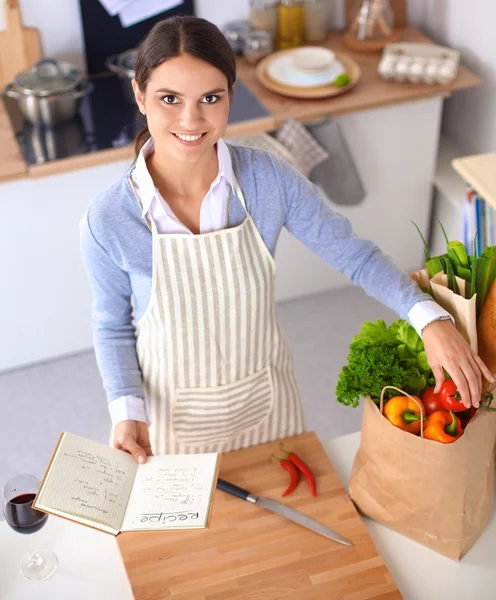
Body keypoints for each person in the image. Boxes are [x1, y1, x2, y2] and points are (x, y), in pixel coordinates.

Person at [80, 16, 493, 464]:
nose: (190, 119)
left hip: (266, 402)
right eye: (169, 99)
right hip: (167, 419)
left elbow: (355, 257)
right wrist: (126, 411)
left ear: (230, 98)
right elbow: (113, 326)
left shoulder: (268, 180)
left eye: (210, 98)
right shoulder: (109, 217)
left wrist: (429, 319)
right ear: (140, 96)